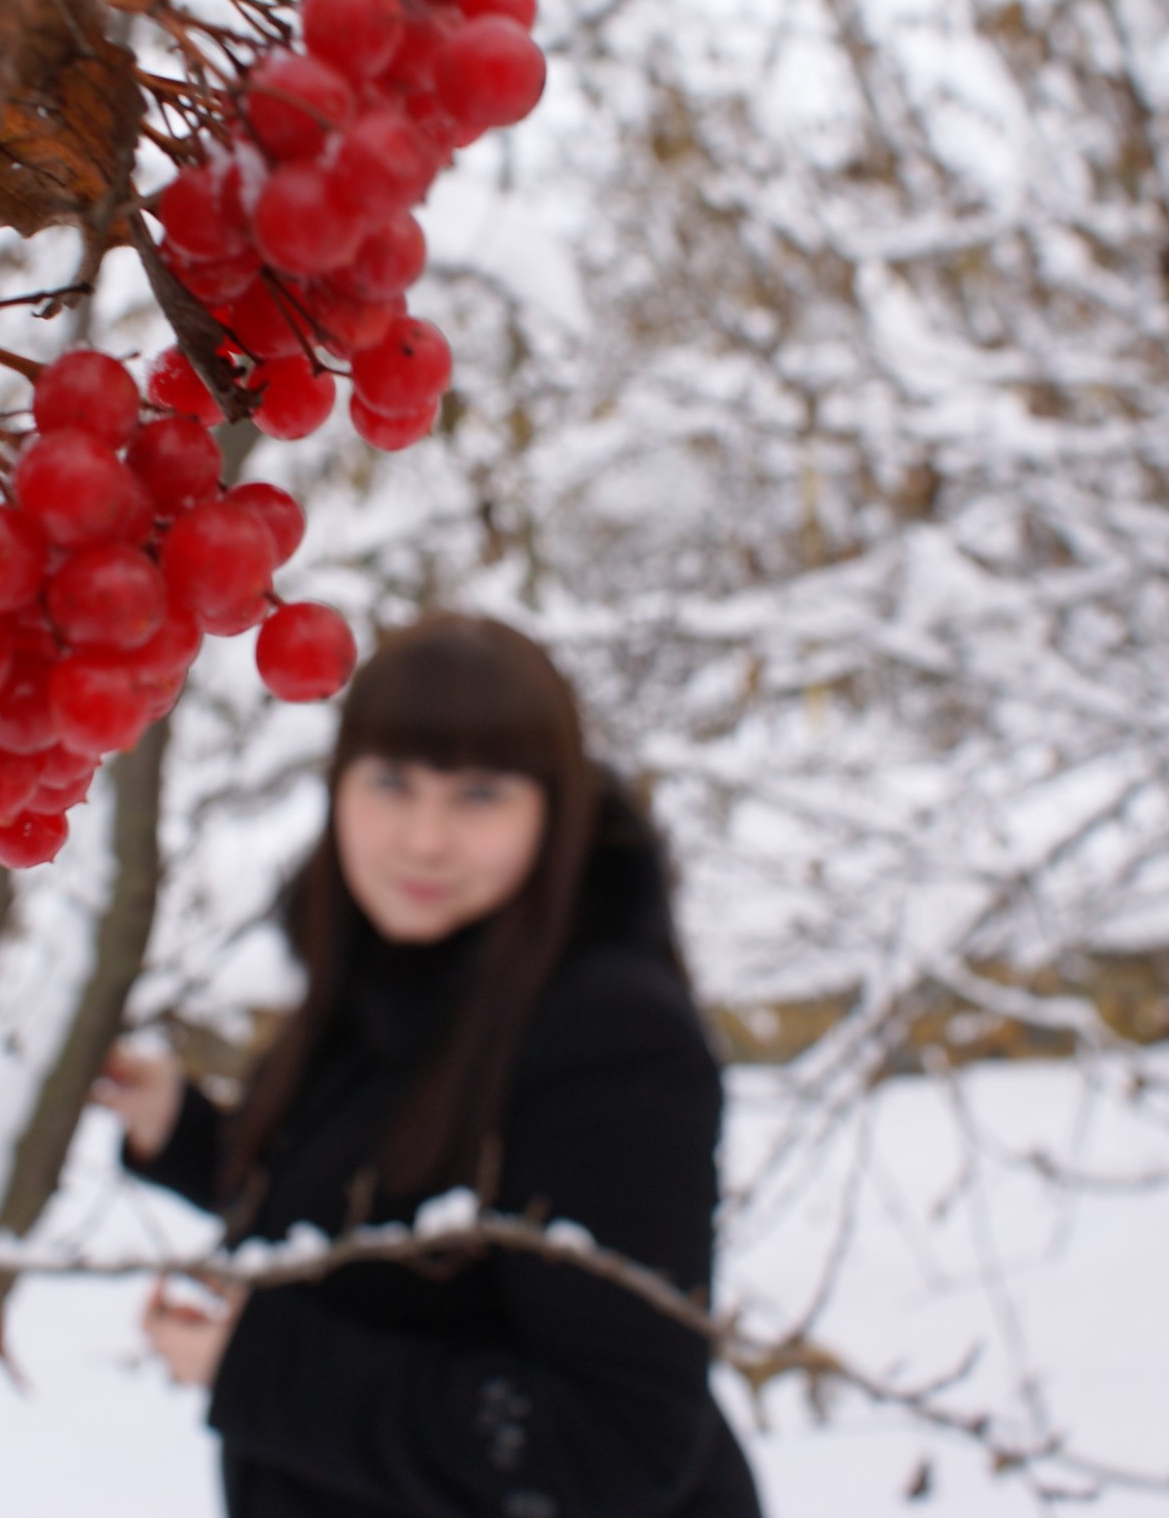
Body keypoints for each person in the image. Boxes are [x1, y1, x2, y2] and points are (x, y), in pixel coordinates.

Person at [92, 613, 763, 1518]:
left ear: (553, 809)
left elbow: (613, 1443)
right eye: (392, 783)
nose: (424, 839)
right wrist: (186, 1131)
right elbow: (378, 1212)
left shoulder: (609, 1038)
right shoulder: (391, 971)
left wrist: (257, 1367)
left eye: (479, 795)